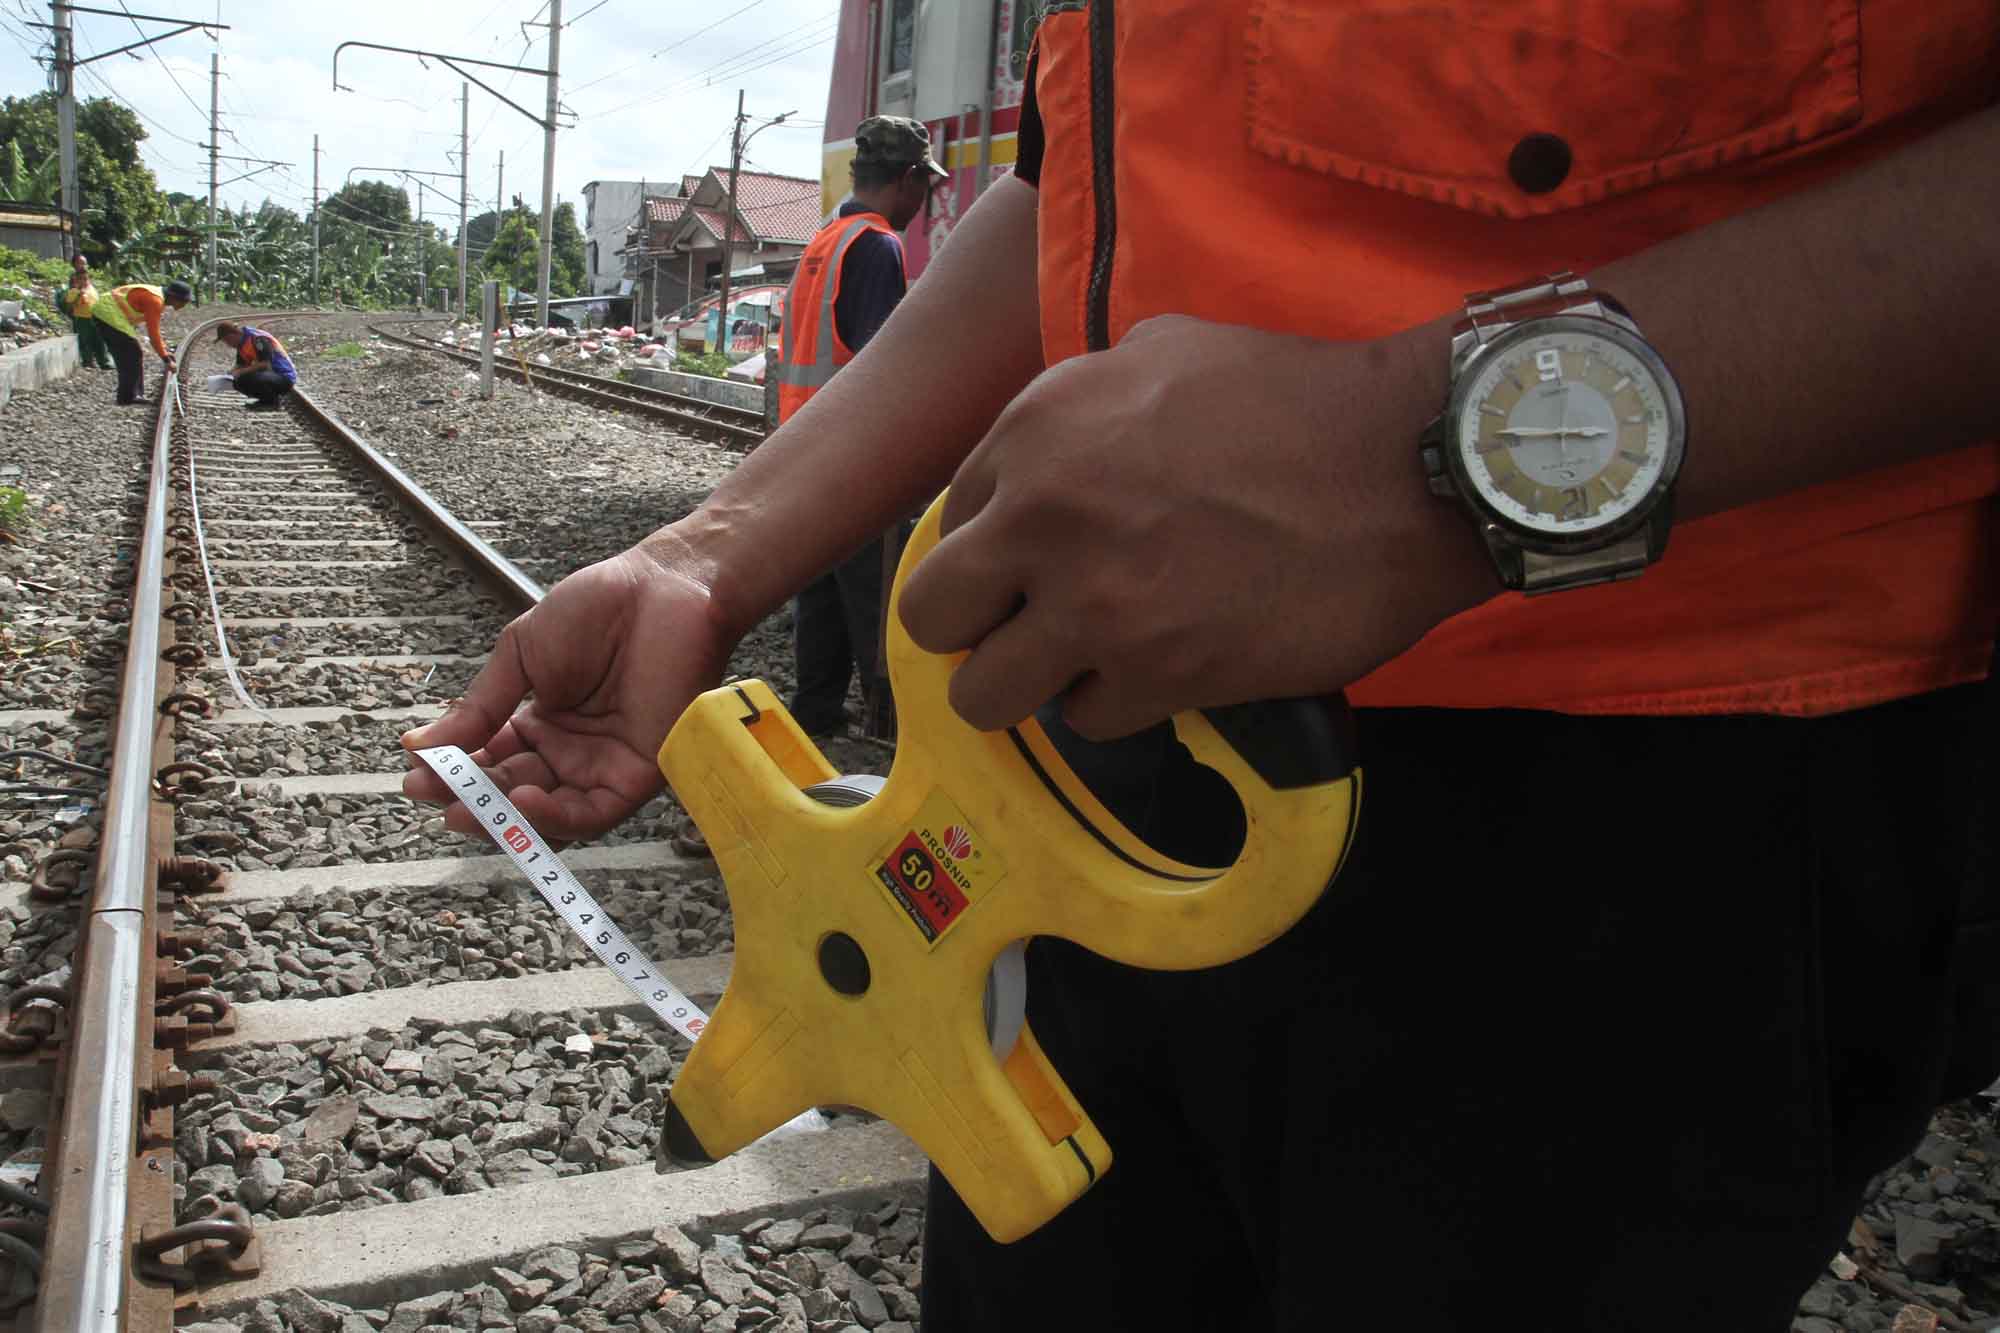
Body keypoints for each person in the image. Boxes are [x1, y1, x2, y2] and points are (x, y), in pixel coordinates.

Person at [406, 5, 1997, 1329]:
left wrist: (1423, 459)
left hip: (1650, 804)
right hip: (1108, 748)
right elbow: (1090, 194)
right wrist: (709, 554)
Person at [773, 115, 947, 737]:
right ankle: (885, 720)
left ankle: (816, 709)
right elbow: (882, 365)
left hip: (800, 445)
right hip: (851, 455)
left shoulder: (825, 239)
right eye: (924, 185)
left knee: (818, 588)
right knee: (875, 592)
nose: (923, 200)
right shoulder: (877, 245)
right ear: (907, 178)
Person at [93, 278, 191, 406]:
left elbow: (154, 331)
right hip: (107, 312)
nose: (184, 305)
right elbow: (153, 333)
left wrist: (165, 351)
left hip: (108, 310)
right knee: (130, 353)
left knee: (132, 353)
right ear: (174, 298)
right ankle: (127, 397)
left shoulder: (157, 297)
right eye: (184, 302)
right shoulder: (155, 301)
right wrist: (166, 359)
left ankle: (133, 394)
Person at [214, 320, 299, 410]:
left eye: (227, 342)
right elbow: (240, 364)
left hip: (284, 377)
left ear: (231, 336)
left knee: (247, 377)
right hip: (271, 376)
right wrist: (228, 375)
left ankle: (272, 403)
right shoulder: (242, 344)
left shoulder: (257, 338)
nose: (228, 345)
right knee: (237, 380)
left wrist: (240, 372)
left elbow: (265, 364)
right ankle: (264, 400)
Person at [56, 268, 113, 372]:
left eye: (85, 279)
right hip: (82, 319)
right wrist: (78, 293)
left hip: (95, 317)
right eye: (81, 279)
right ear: (77, 280)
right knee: (85, 341)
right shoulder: (74, 291)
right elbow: (69, 304)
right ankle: (88, 362)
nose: (84, 281)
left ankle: (104, 362)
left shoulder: (92, 289)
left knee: (99, 340)